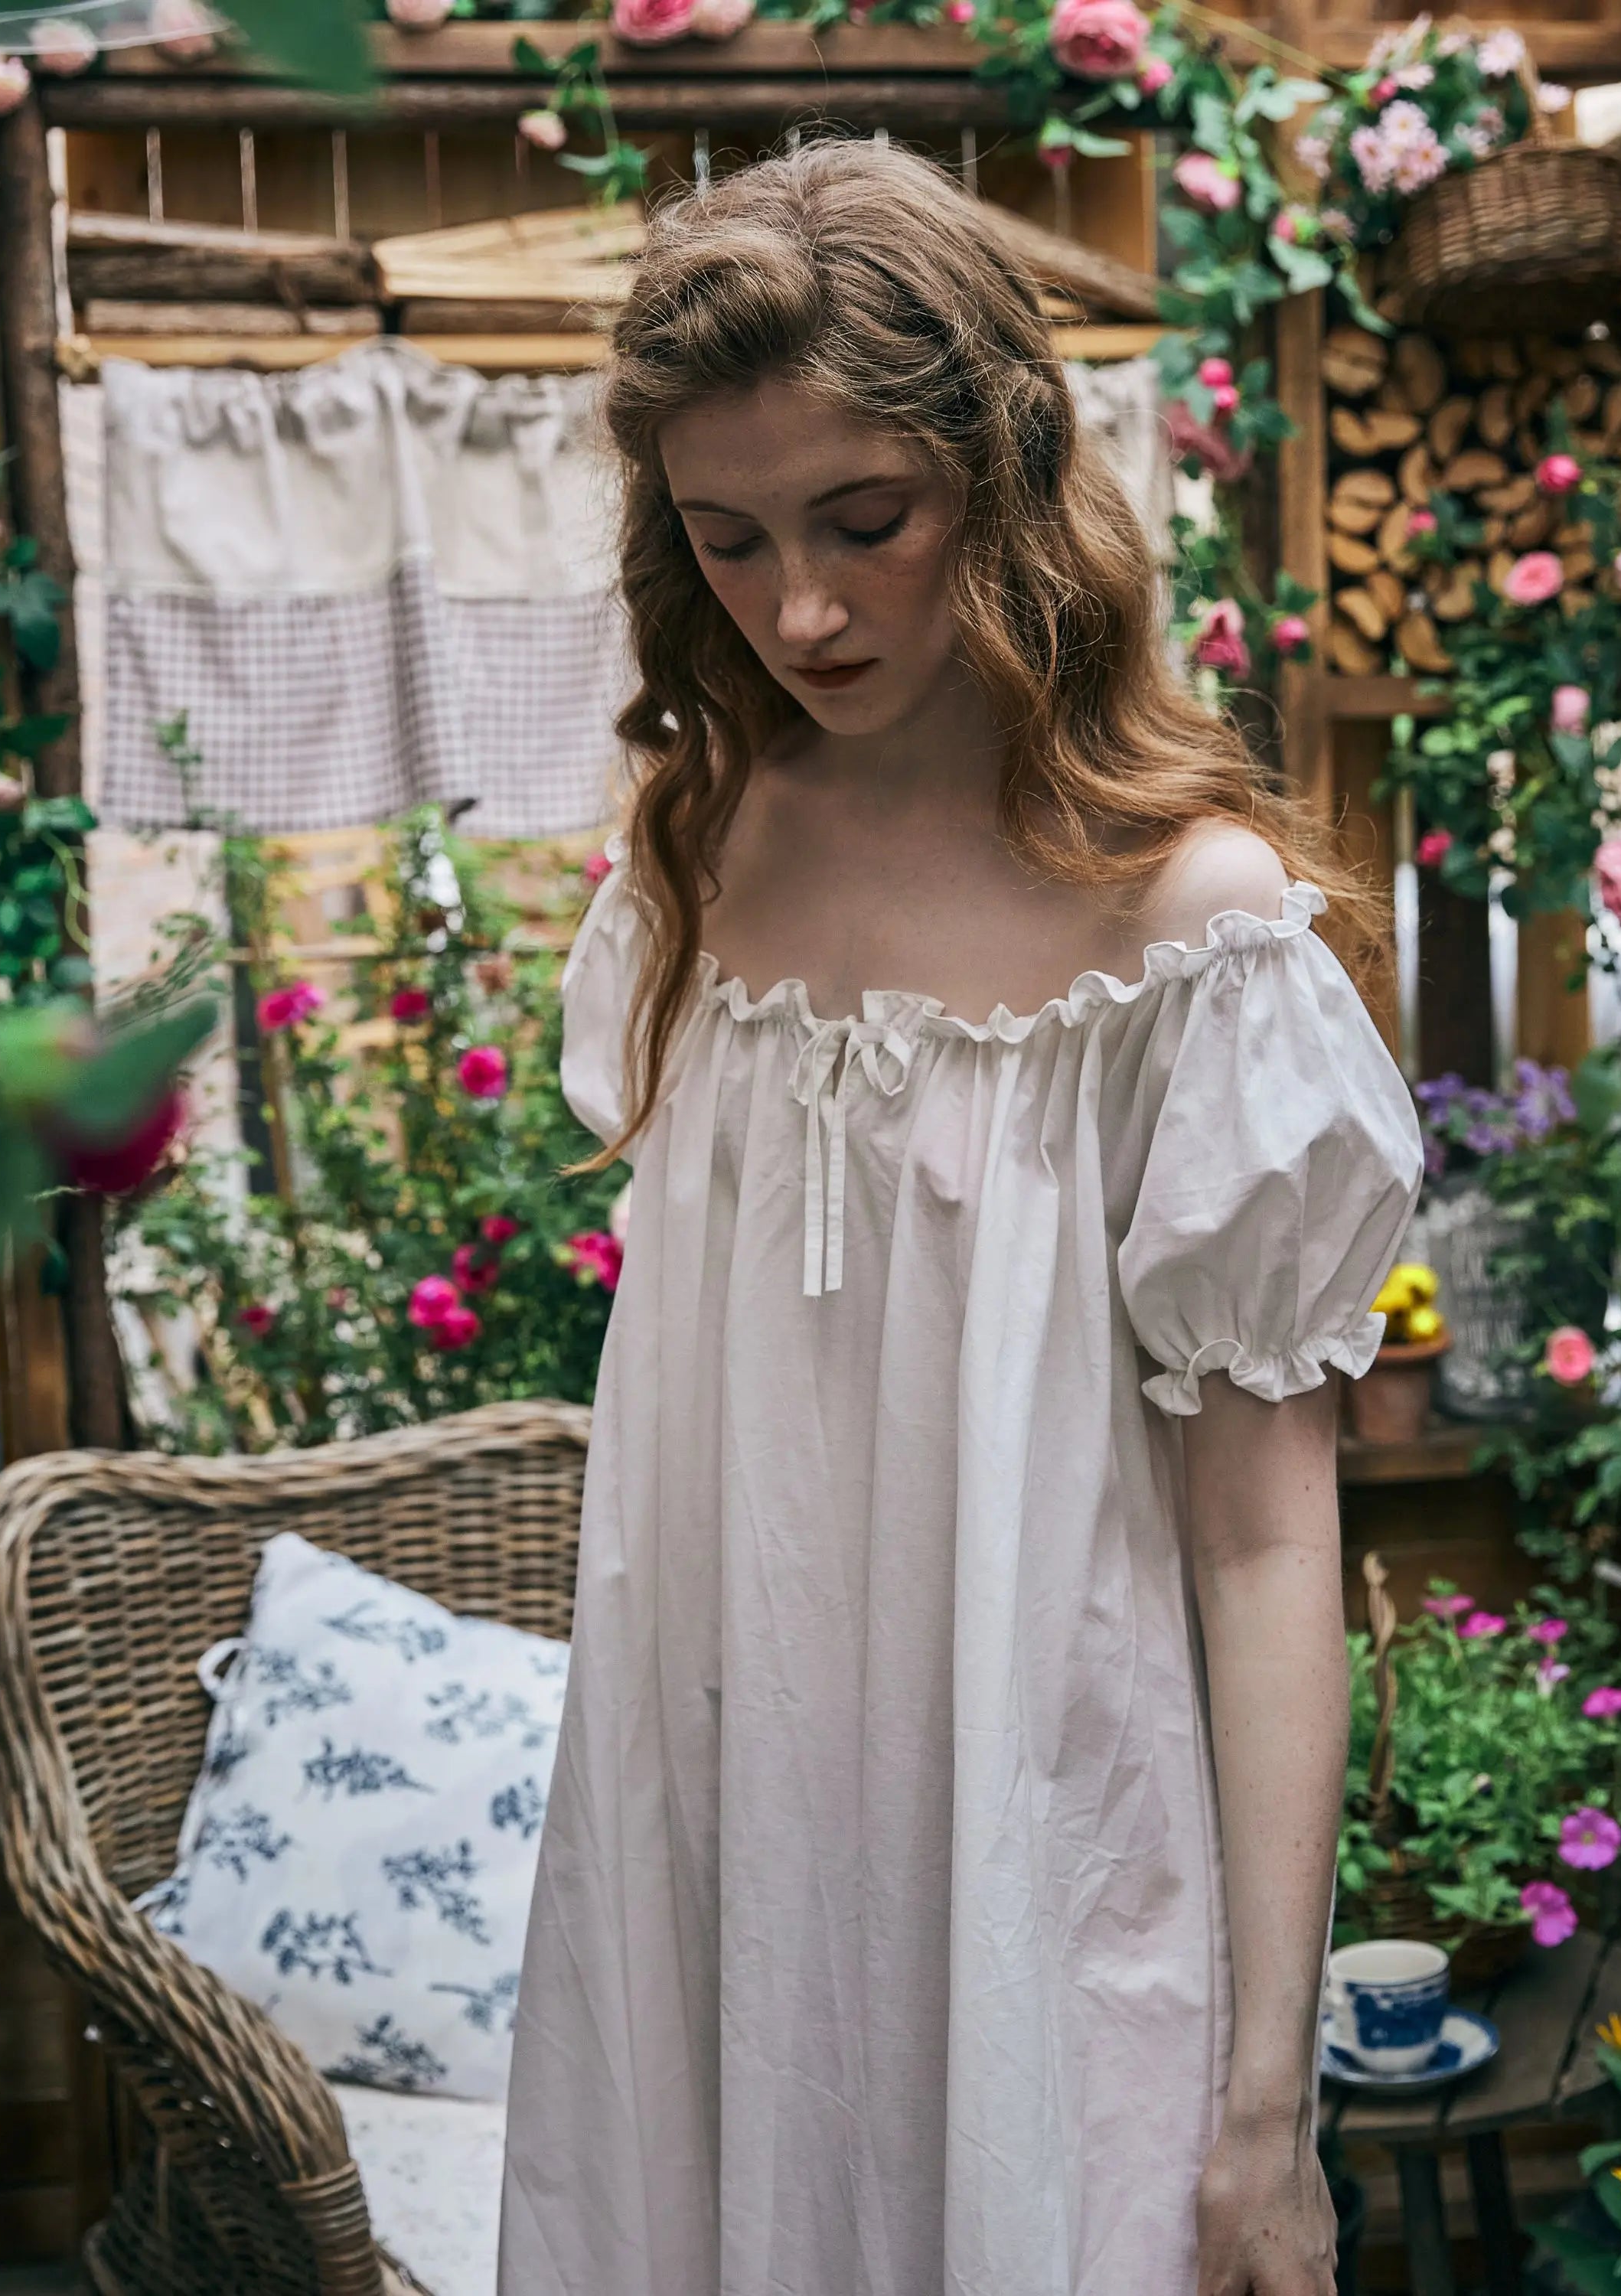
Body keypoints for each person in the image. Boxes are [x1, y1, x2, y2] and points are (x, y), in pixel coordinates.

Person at [502, 139, 1422, 2296]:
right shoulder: (692, 860)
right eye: (726, 541)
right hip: (712, 1890)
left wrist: (1264, 2104)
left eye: (862, 522)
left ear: (1000, 477)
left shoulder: (1185, 934)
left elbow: (1269, 1529)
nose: (798, 610)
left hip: (1044, 1895)